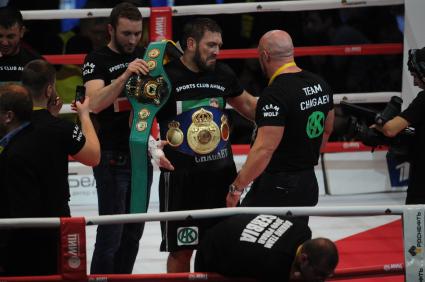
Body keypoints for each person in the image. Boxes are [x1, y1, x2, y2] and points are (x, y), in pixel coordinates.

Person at [156, 17, 257, 272]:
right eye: (211, 45)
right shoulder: (165, 77)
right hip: (181, 180)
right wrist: (150, 147)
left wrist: (284, 111)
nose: (217, 51)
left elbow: (249, 107)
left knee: (221, 245)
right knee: (181, 250)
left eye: (219, 45)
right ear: (191, 43)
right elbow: (138, 120)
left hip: (221, 177)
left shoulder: (222, 73)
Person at [227, 30, 334, 225]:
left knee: (246, 235)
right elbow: (327, 128)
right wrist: (305, 158)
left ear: (264, 56)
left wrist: (237, 187)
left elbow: (264, 149)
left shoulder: (276, 93)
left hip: (279, 185)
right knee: (294, 240)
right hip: (308, 181)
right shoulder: (320, 84)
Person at [82, 2, 154, 274]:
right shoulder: (97, 59)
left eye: (137, 33)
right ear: (111, 30)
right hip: (112, 155)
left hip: (140, 155)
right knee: (112, 233)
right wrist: (125, 75)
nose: (133, 40)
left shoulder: (148, 55)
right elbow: (94, 104)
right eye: (126, 34)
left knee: (134, 231)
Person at [0, 78, 98, 275]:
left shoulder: (15, 153)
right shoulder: (49, 130)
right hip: (52, 229)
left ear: (9, 116)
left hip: (26, 243)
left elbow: (93, 156)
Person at [194, 214, 339, 282]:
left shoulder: (302, 230)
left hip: (232, 230)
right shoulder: (274, 264)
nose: (322, 280)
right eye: (319, 275)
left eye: (327, 276)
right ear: (304, 258)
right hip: (213, 249)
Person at [376, 47, 425, 204]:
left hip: (422, 184)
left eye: (415, 75)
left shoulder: (423, 99)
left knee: (416, 226)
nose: (414, 81)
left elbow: (390, 129)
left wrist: (376, 124)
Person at [0, 6, 41, 84]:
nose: (4, 42)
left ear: (22, 32)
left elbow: (50, 95)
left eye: (10, 36)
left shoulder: (36, 64)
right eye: (0, 36)